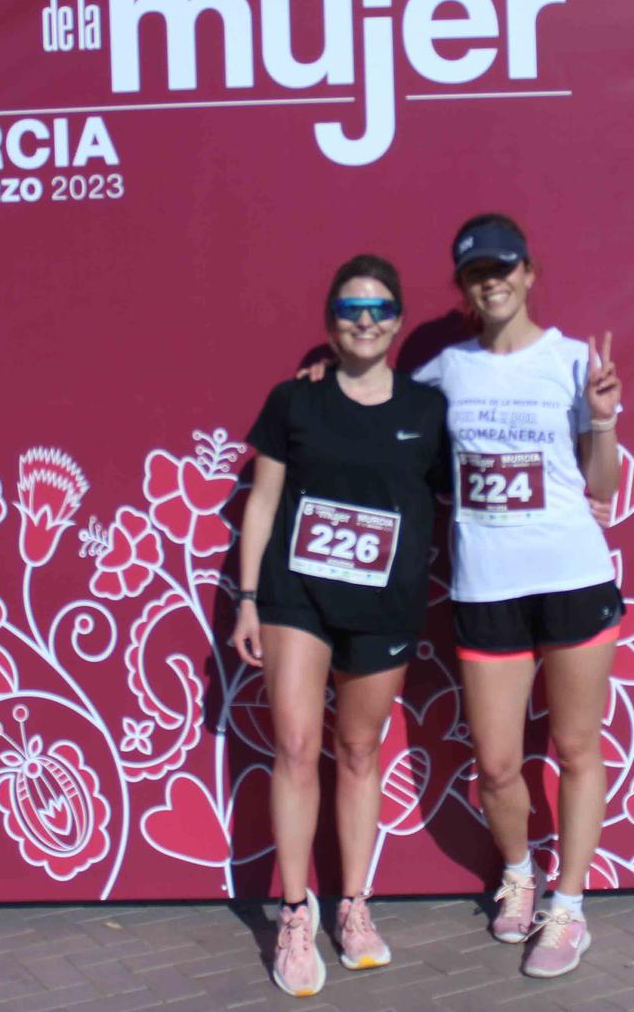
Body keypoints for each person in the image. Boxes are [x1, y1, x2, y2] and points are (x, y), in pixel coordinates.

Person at [411, 212, 622, 979]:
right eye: (475, 272)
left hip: (571, 576)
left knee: (574, 748)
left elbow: (604, 487)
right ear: (464, 287)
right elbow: (378, 412)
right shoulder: (445, 370)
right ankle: (519, 872)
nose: (491, 281)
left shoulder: (573, 363)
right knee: (497, 766)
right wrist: (323, 381)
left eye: (503, 267)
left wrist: (601, 418)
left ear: (529, 273)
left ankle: (569, 905)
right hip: (487, 588)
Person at [232, 254, 449, 998]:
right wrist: (249, 597)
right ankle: (296, 913)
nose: (365, 321)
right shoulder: (295, 402)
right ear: (331, 320)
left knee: (358, 750)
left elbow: (467, 497)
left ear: (397, 318)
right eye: (351, 309)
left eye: (379, 307)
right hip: (297, 597)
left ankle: (352, 905)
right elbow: (262, 502)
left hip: (385, 605)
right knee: (295, 745)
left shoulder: (427, 411)